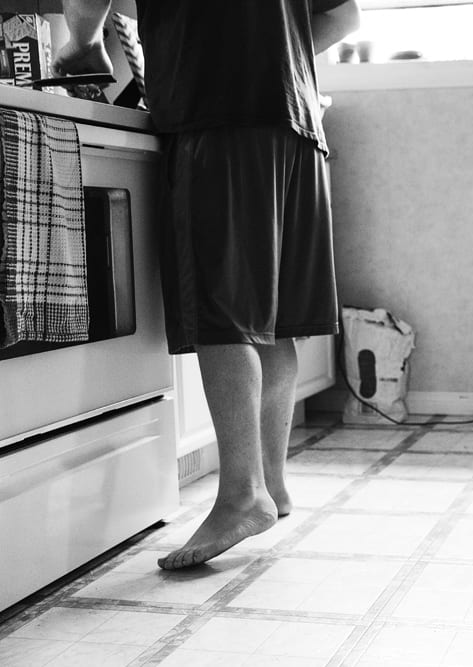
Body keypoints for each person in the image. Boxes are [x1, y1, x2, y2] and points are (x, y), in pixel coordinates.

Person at [55, 0, 361, 569]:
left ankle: (242, 495)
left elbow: (85, 13)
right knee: (272, 320)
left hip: (215, 117)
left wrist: (83, 43)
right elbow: (342, 19)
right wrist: (266, 59)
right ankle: (272, 482)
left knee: (225, 315)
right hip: (295, 121)